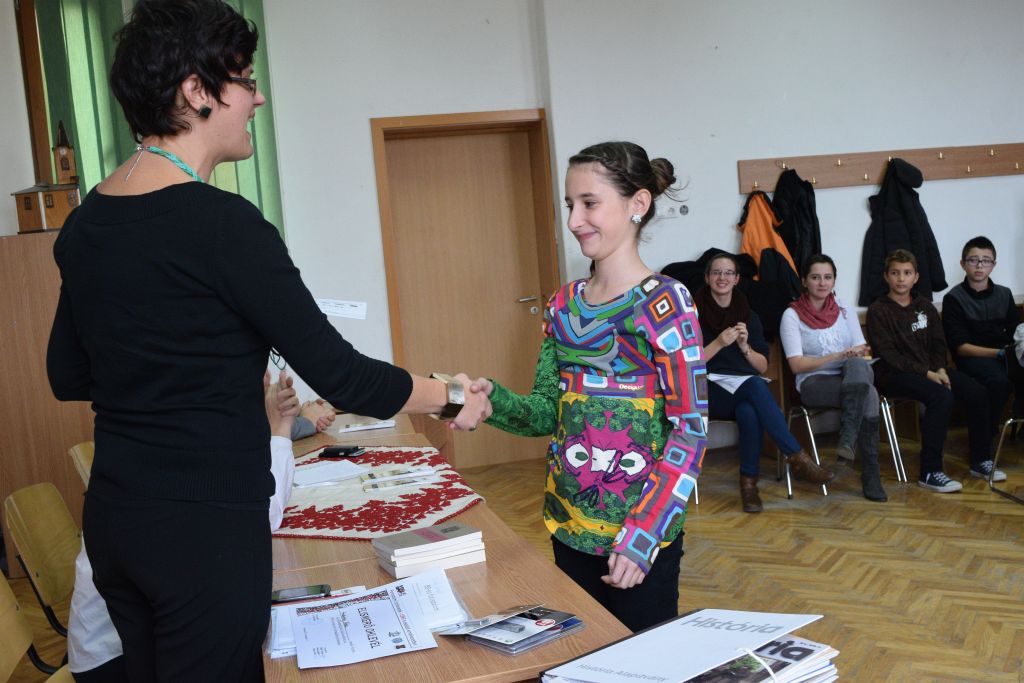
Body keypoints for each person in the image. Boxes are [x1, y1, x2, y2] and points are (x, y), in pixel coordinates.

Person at [45, 2, 490, 680]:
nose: (257, 98)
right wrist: (451, 395)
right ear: (197, 90)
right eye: (246, 80)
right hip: (205, 530)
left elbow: (68, 375)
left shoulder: (87, 223)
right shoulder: (223, 224)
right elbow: (342, 376)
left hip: (116, 517)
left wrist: (172, 363)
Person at [467, 141, 705, 632]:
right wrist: (493, 402)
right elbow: (545, 411)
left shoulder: (666, 303)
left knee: (643, 658)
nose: (575, 221)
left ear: (638, 204)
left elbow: (690, 431)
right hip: (567, 526)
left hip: (639, 541)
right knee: (581, 654)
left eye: (589, 203)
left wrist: (643, 536)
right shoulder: (562, 305)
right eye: (570, 205)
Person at [67, 372, 300, 682]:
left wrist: (272, 423)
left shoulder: (180, 420)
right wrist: (279, 429)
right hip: (113, 656)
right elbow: (259, 515)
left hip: (151, 630)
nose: (264, 375)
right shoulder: (183, 437)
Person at [696, 253, 835, 513]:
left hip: (743, 389)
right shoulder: (693, 315)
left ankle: (749, 487)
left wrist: (744, 347)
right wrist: (719, 343)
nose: (722, 278)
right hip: (707, 391)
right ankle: (797, 456)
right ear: (707, 278)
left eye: (728, 273)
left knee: (749, 410)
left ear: (737, 279)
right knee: (754, 386)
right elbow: (687, 365)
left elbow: (760, 366)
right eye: (716, 272)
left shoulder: (749, 316)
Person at [866, 249, 1001, 493]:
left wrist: (940, 369)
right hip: (894, 376)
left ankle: (980, 460)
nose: (901, 278)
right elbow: (890, 356)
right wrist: (928, 374)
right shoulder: (878, 310)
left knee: (977, 391)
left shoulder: (925, 306)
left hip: (932, 371)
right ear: (886, 276)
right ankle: (930, 471)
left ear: (916, 277)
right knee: (941, 396)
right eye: (895, 273)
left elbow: (939, 344)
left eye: (907, 273)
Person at [780, 254, 886, 502]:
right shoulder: (792, 315)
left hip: (850, 373)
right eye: (815, 277)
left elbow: (862, 348)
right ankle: (869, 472)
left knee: (858, 366)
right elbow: (796, 365)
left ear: (834, 280)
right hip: (813, 382)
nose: (822, 283)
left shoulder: (844, 309)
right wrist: (836, 356)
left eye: (827, 277)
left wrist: (856, 353)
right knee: (869, 393)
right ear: (804, 281)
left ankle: (848, 442)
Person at [941, 236, 1021, 456]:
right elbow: (961, 347)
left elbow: (1016, 332)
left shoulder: (1004, 294)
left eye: (985, 260)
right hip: (973, 358)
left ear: (993, 265)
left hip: (1005, 355)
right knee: (999, 382)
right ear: (963, 264)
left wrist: (1010, 352)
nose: (979, 265)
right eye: (973, 260)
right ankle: (986, 435)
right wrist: (999, 353)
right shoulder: (953, 298)